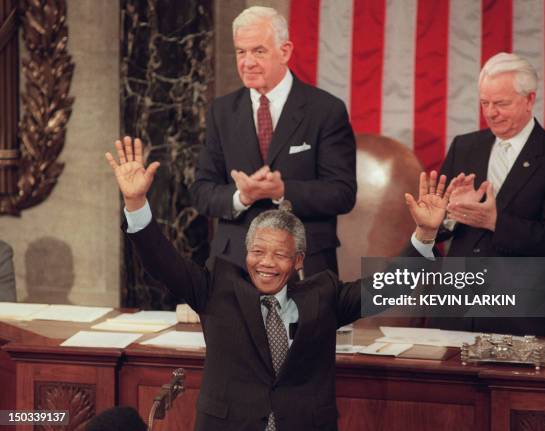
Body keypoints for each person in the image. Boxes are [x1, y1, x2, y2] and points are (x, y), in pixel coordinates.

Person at [106, 136, 399, 431]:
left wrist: (425, 237)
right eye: (258, 252)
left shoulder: (323, 294)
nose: (266, 263)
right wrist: (135, 202)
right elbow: (162, 261)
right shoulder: (216, 288)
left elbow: (385, 289)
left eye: (280, 254)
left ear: (298, 261)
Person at [405, 52, 545, 336]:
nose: (490, 112)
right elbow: (439, 232)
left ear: (529, 99)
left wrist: (494, 221)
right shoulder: (465, 147)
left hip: (518, 312)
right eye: (485, 103)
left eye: (501, 103)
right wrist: (448, 215)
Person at [190, 6, 356, 276]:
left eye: (259, 51)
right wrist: (241, 196)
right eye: (241, 52)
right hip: (234, 264)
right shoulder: (221, 112)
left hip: (303, 263)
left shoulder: (325, 110)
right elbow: (201, 192)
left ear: (285, 51)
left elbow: (342, 193)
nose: (248, 62)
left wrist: (282, 191)